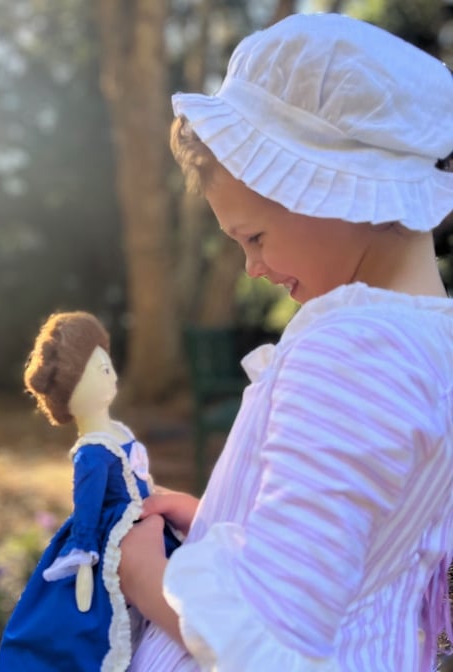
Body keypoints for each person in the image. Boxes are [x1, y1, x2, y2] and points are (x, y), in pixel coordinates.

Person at [118, 13, 453, 672]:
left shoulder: (353, 351)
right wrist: (223, 519)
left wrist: (145, 583)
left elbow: (276, 640)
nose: (253, 269)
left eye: (255, 237)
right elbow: (388, 544)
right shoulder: (429, 339)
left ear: (324, 183)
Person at [0, 311, 180, 672]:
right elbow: (86, 510)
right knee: (117, 614)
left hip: (147, 520)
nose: (109, 372)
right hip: (114, 537)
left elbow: (139, 478)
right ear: (73, 389)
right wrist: (84, 563)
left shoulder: (117, 431)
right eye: (98, 370)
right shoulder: (93, 450)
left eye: (107, 363)